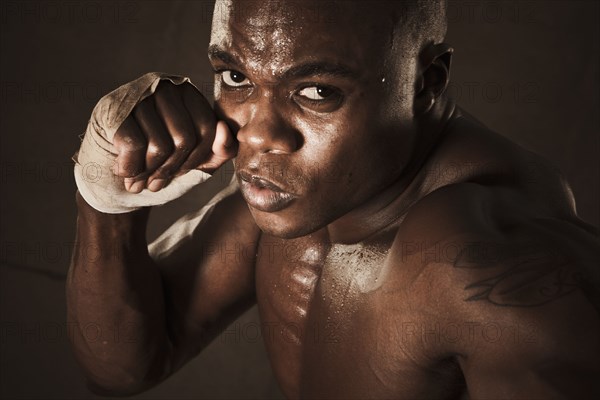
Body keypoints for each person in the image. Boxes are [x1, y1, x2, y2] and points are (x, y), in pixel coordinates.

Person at [66, 0, 600, 398]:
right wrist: (107, 194)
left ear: (426, 81)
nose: (258, 136)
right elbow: (124, 365)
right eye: (235, 77)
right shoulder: (305, 191)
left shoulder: (489, 264)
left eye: (318, 91)